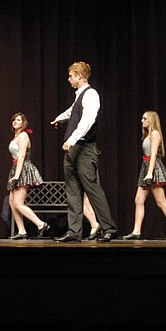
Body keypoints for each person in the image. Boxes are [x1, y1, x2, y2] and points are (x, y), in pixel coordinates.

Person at [50, 61, 118, 242]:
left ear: (80, 76)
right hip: (73, 149)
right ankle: (74, 232)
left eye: (71, 75)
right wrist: (59, 119)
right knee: (72, 191)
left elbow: (88, 120)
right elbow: (73, 112)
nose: (69, 79)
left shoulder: (91, 94)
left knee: (92, 188)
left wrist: (72, 139)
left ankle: (109, 229)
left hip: (83, 149)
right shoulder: (79, 95)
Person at [122, 111, 166, 240]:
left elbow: (154, 154)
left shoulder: (155, 133)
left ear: (152, 120)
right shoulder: (147, 135)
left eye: (145, 118)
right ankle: (136, 231)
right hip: (146, 167)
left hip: (153, 168)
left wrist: (150, 172)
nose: (142, 121)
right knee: (138, 200)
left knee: (161, 202)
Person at [6, 113, 50, 240]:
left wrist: (17, 175)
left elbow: (22, 156)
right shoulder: (16, 136)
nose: (15, 121)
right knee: (11, 202)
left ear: (23, 123)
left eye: (18, 120)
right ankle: (21, 231)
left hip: (23, 169)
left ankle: (41, 224)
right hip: (16, 168)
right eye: (14, 119)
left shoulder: (24, 135)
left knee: (18, 203)